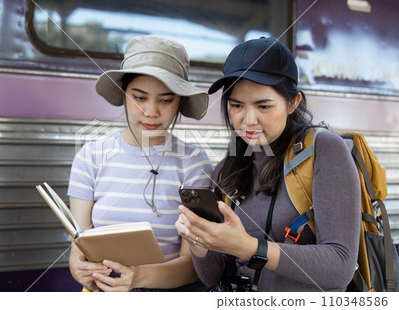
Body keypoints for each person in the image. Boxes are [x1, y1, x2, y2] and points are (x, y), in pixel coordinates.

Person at [175, 37, 361, 292]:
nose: (249, 120)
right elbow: (212, 276)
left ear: (292, 102)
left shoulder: (324, 150)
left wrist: (249, 248)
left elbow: (340, 266)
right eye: (236, 105)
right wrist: (199, 242)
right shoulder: (226, 168)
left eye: (263, 105)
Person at [67, 35, 213, 291]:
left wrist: (138, 277)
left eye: (166, 100)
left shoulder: (193, 163)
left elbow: (193, 266)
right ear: (124, 95)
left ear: (180, 102)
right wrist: (80, 269)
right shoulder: (90, 157)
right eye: (139, 97)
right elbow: (77, 251)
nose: (151, 112)